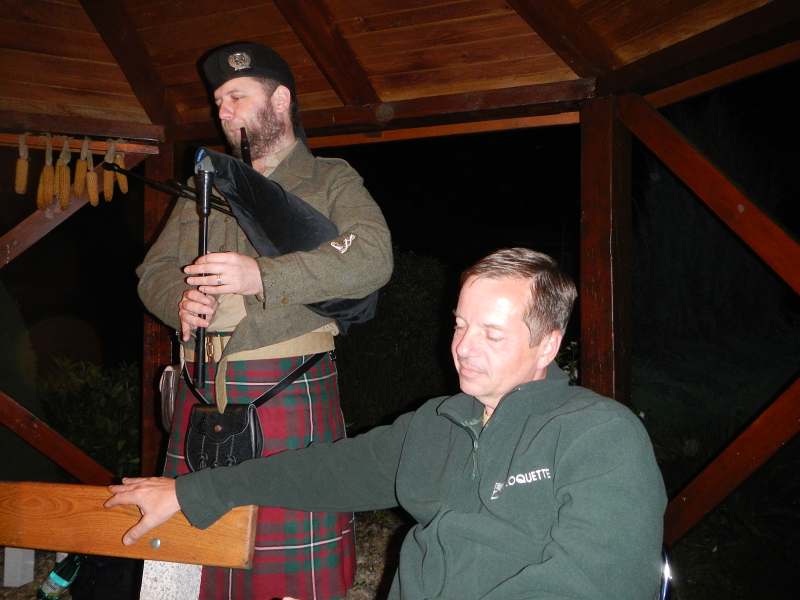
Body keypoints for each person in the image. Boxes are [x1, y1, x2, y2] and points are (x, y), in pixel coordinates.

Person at [113, 248, 666, 599]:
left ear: (547, 344)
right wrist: (192, 491)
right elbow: (326, 471)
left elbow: (597, 583)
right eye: (460, 325)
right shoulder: (437, 425)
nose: (464, 348)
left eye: (492, 334)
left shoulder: (598, 435)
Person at [136, 41, 392, 599]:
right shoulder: (205, 182)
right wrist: (177, 300)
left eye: (236, 96)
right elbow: (152, 270)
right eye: (218, 101)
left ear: (280, 101)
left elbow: (373, 257)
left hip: (284, 385)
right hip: (199, 391)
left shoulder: (328, 178)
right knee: (191, 563)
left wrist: (264, 276)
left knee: (287, 573)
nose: (222, 110)